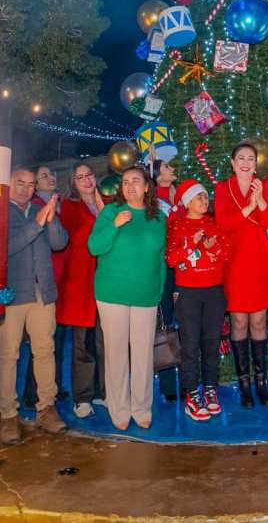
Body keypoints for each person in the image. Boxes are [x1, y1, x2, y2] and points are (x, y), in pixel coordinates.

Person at [87, 166, 166, 430]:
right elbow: (95, 247)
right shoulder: (110, 212)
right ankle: (118, 408)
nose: (130, 186)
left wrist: (158, 291)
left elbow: (161, 259)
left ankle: (142, 407)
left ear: (147, 187)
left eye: (136, 181)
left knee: (144, 354)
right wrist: (115, 225)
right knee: (116, 352)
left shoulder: (158, 218)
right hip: (112, 294)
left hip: (146, 295)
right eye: (125, 182)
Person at [0, 167, 68, 445]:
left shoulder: (41, 208)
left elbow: (60, 243)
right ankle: (8, 415)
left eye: (30, 184)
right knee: (8, 353)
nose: (26, 189)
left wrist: (50, 219)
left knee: (44, 350)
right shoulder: (0, 212)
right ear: (9, 184)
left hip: (43, 292)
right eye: (20, 183)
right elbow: (5, 248)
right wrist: (37, 223)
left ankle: (46, 408)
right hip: (13, 294)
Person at [214, 142, 268, 407]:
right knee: (239, 322)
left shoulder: (265, 185)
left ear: (256, 162)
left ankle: (261, 383)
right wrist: (249, 208)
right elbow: (222, 224)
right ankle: (244, 385)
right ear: (232, 162)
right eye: (240, 157)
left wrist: (261, 200)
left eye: (250, 158)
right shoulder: (222, 188)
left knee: (259, 322)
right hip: (236, 265)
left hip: (260, 262)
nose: (245, 162)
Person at [166, 180, 230, 421]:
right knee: (190, 346)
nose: (204, 201)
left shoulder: (213, 223)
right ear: (187, 203)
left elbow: (227, 253)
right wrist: (192, 244)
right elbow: (172, 259)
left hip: (213, 292)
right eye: (199, 198)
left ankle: (211, 389)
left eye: (205, 197)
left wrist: (213, 249)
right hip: (188, 293)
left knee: (211, 343)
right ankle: (192, 394)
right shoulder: (178, 226)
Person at [56, 163, 105, 418]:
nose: (86, 179)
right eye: (80, 177)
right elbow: (74, 239)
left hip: (107, 281)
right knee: (83, 343)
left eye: (89, 174)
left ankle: (104, 392)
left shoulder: (107, 200)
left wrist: (104, 209)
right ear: (73, 183)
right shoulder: (70, 207)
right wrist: (102, 219)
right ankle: (83, 396)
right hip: (80, 283)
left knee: (106, 340)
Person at [147, 157, 180, 401]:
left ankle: (191, 379)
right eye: (167, 167)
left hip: (185, 266)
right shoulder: (154, 201)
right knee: (164, 324)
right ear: (157, 176)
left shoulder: (179, 194)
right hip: (164, 270)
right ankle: (168, 385)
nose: (173, 168)